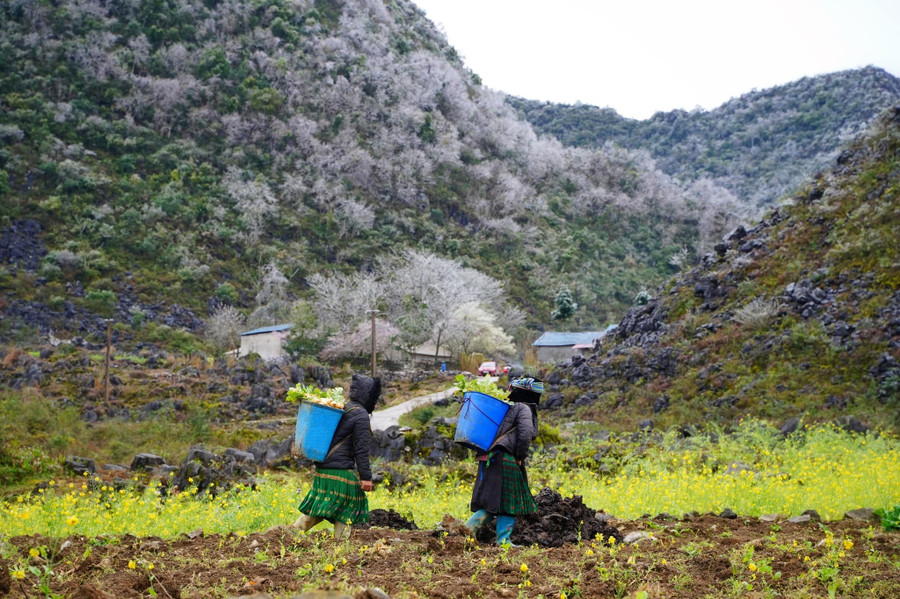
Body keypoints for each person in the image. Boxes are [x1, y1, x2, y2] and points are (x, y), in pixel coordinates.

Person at [293, 373, 381, 540]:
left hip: (324, 468)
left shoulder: (343, 408)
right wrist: (366, 477)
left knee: (321, 507)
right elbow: (361, 450)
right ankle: (341, 542)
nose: (376, 404)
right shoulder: (361, 415)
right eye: (374, 399)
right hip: (339, 470)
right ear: (367, 397)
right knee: (350, 501)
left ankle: (290, 533)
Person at [462, 377, 543, 546]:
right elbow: (525, 435)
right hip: (506, 458)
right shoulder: (523, 408)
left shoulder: (507, 408)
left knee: (494, 502)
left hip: (492, 457)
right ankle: (503, 540)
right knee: (510, 501)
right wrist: (520, 457)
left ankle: (467, 529)